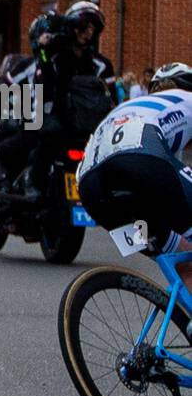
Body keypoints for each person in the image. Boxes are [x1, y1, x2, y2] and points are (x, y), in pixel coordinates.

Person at [78, 63, 192, 287]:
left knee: (184, 259)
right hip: (138, 160)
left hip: (91, 187)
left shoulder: (136, 105)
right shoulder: (187, 99)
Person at [0, 1, 115, 199]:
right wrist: (44, 51)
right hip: (55, 122)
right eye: (83, 27)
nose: (88, 33)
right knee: (38, 140)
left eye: (93, 28)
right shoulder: (53, 58)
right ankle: (30, 183)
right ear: (72, 28)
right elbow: (42, 84)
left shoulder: (100, 65)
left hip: (85, 128)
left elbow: (112, 100)